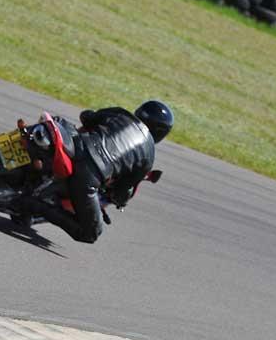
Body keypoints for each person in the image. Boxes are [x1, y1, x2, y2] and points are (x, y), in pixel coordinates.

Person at [14, 100, 174, 243]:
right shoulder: (148, 154)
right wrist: (119, 198)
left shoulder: (120, 113)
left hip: (75, 147)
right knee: (90, 233)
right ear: (161, 132)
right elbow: (122, 190)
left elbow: (88, 117)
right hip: (89, 175)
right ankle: (33, 205)